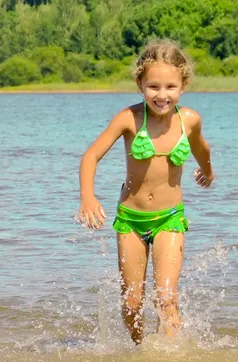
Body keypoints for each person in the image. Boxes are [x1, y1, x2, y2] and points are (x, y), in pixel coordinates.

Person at [78, 39, 214, 344]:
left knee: (166, 299)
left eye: (170, 87)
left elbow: (202, 148)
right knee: (132, 303)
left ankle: (171, 352)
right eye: (153, 87)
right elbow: (90, 156)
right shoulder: (129, 118)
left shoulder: (188, 120)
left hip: (170, 219)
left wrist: (207, 172)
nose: (162, 95)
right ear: (140, 84)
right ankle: (141, 349)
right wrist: (88, 197)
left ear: (183, 85)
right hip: (130, 220)